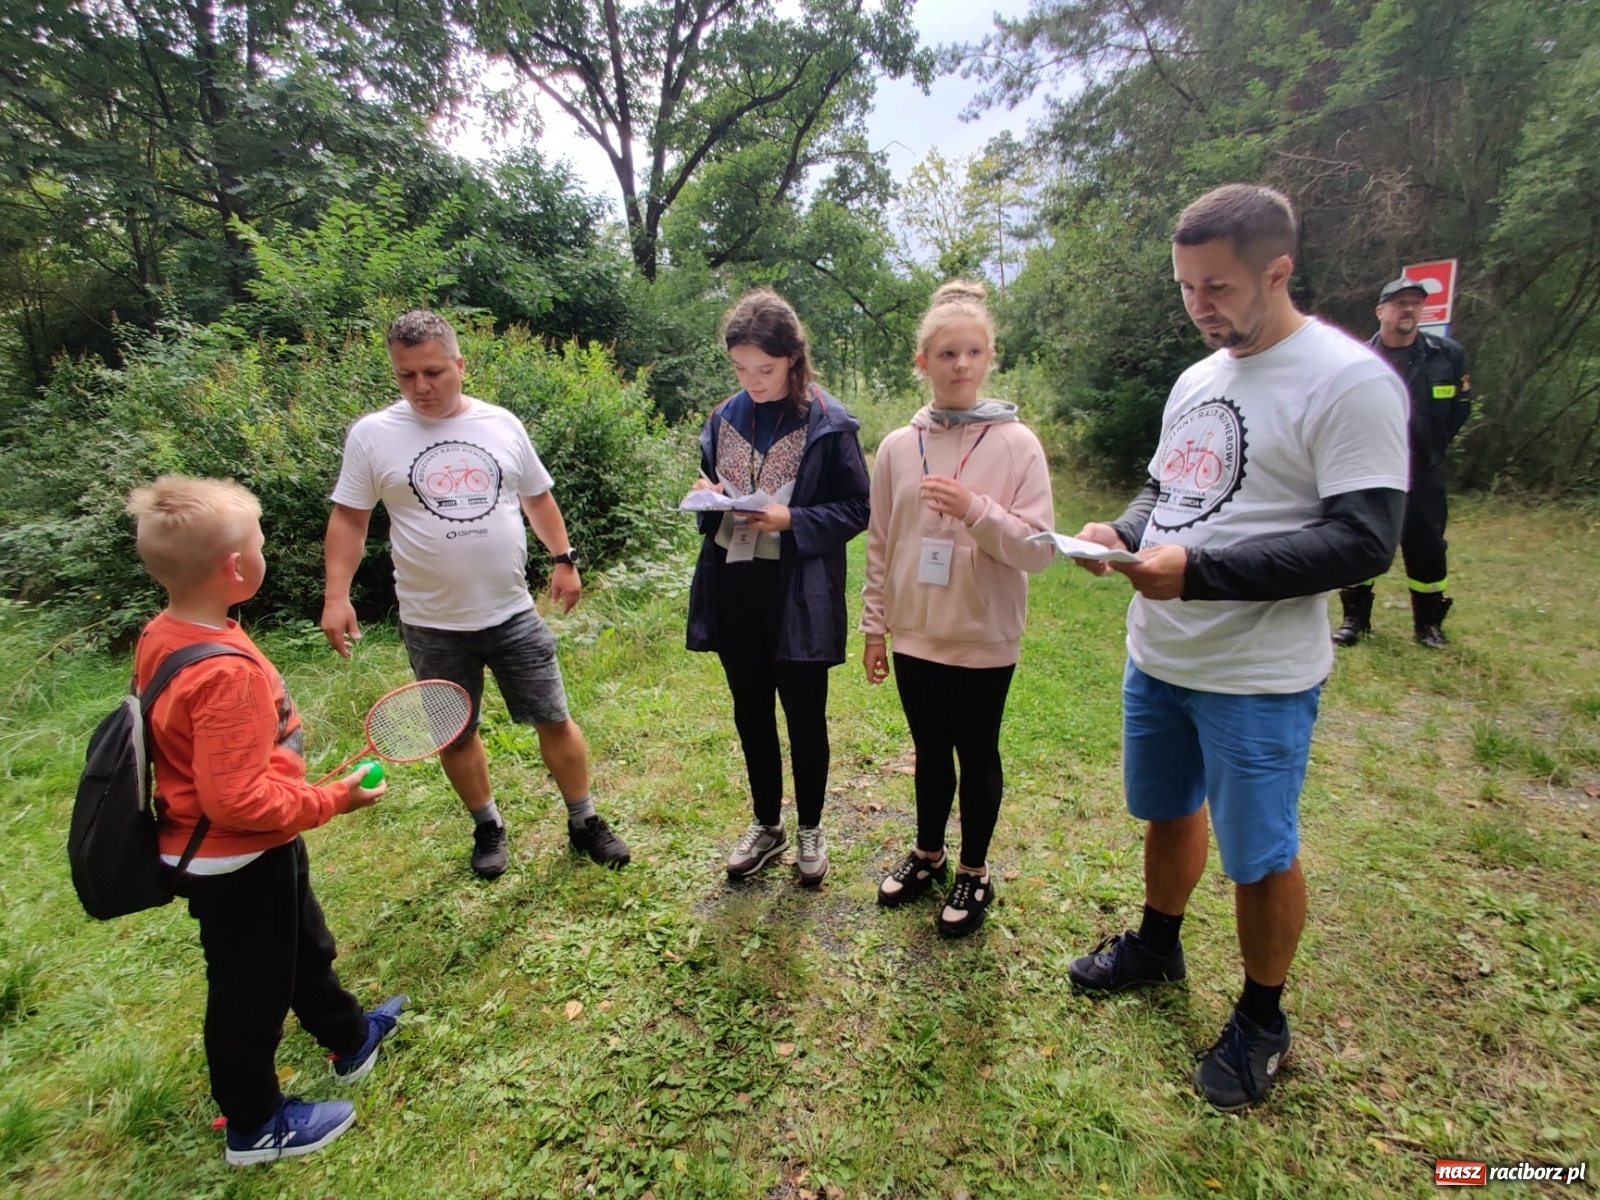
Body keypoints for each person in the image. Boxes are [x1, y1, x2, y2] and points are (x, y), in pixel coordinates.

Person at [1064, 185, 1408, 1109]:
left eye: (1216, 287)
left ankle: (1262, 1017)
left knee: (1257, 854)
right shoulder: (1197, 379)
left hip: (1256, 677)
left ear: (1278, 271)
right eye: (1185, 288)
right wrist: (1121, 534)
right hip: (1160, 655)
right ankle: (1157, 947)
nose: (1199, 306)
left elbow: (1364, 541)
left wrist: (1200, 573)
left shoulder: (1351, 379)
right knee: (1167, 812)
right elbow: (1164, 493)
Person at [127, 475, 404, 1166]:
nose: (265, 551)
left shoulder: (166, 633)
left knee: (303, 946)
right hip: (234, 855)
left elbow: (221, 766)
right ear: (237, 568)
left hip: (251, 849)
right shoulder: (226, 672)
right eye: (260, 542)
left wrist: (284, 778)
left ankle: (348, 1037)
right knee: (251, 992)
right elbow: (237, 802)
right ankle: (256, 1122)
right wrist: (332, 798)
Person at [321, 309, 629, 879]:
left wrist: (563, 560)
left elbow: (537, 496)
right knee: (455, 733)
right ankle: (487, 825)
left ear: (461, 364)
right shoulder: (372, 435)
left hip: (511, 613)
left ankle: (584, 821)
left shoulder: (501, 424)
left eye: (434, 371)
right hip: (431, 622)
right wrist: (335, 595)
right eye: (406, 375)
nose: (421, 387)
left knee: (554, 719)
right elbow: (349, 520)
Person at [860, 280, 1056, 937]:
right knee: (928, 749)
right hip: (916, 633)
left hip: (982, 633)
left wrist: (976, 511)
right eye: (946, 354)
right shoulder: (895, 447)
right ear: (923, 363)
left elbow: (1037, 549)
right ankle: (927, 855)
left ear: (991, 355)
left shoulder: (1018, 444)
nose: (961, 365)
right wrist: (875, 627)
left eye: (973, 352)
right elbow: (882, 542)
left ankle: (974, 873)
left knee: (977, 751)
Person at [687, 289, 871, 885]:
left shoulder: (828, 421)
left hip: (797, 591)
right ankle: (768, 824)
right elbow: (710, 502)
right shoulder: (723, 417)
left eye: (764, 369)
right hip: (734, 582)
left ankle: (812, 830)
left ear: (793, 358)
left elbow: (857, 508)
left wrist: (794, 521)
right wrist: (709, 500)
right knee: (750, 711)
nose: (753, 381)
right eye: (741, 369)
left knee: (803, 713)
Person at [1332, 276, 1473, 649]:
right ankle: (1354, 621)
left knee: (1427, 546)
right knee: (1360, 539)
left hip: (1422, 469)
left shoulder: (1447, 355)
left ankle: (1428, 625)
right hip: (1369, 467)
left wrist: (1432, 445)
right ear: (1381, 311)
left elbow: (1459, 410)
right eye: (1399, 303)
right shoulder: (1358, 358)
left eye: (1415, 303)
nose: (1408, 309)